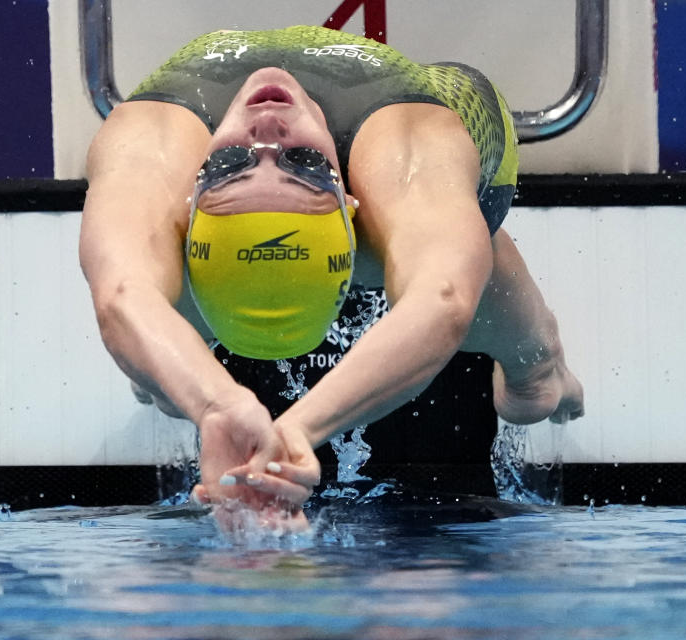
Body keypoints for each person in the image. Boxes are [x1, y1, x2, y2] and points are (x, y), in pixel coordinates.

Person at [79, 25, 584, 528]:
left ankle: (536, 362)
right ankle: (540, 364)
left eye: (231, 165)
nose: (268, 131)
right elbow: (445, 297)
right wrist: (269, 423)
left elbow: (121, 293)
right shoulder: (407, 159)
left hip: (410, 138)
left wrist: (233, 411)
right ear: (349, 206)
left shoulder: (149, 139)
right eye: (304, 164)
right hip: (412, 172)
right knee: (441, 230)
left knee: (149, 299)